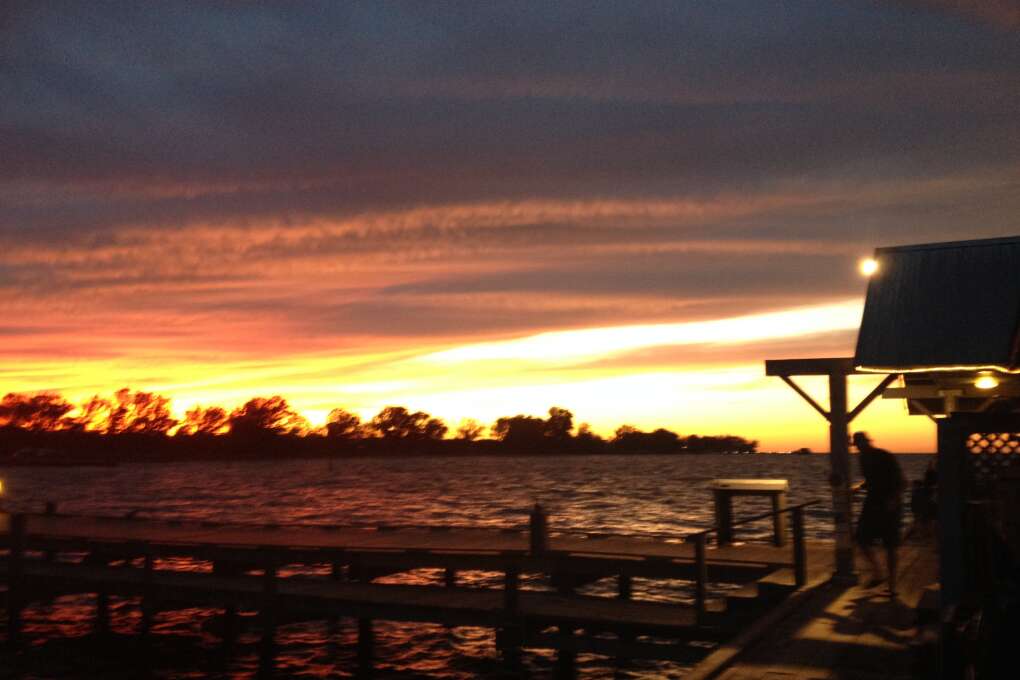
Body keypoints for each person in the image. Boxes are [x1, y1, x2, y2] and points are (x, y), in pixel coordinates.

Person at [852, 431, 906, 596]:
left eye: (861, 443)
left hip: (890, 504)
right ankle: (878, 573)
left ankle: (891, 586)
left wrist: (894, 500)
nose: (860, 447)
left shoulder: (884, 456)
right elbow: (871, 481)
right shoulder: (862, 458)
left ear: (867, 442)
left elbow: (902, 481)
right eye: (858, 444)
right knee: (860, 539)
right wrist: (858, 487)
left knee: (890, 546)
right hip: (872, 503)